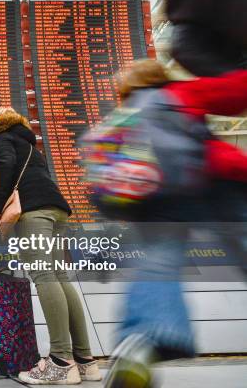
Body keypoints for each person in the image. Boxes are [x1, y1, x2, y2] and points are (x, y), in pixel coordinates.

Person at [103, 60, 247, 388]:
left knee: (158, 261)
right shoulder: (179, 92)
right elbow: (236, 93)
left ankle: (141, 342)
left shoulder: (125, 116)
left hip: (154, 197)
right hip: (213, 182)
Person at [0, 108, 102, 385]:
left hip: (34, 212)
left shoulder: (2, 137)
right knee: (60, 276)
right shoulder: (29, 143)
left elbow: (4, 166)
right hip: (57, 209)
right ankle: (85, 361)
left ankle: (61, 361)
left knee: (44, 276)